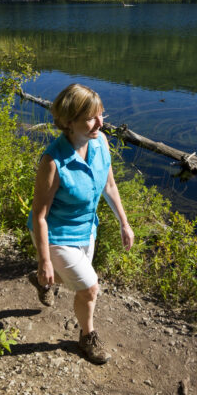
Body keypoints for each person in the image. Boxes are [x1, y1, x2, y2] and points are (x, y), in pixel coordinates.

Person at [27, 83, 134, 364]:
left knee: (73, 281)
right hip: (56, 234)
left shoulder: (100, 143)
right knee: (89, 287)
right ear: (68, 122)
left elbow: (109, 185)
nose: (100, 123)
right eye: (90, 118)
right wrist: (44, 260)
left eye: (102, 115)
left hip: (88, 229)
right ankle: (88, 337)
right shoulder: (53, 161)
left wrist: (124, 222)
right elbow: (39, 215)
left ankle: (44, 282)